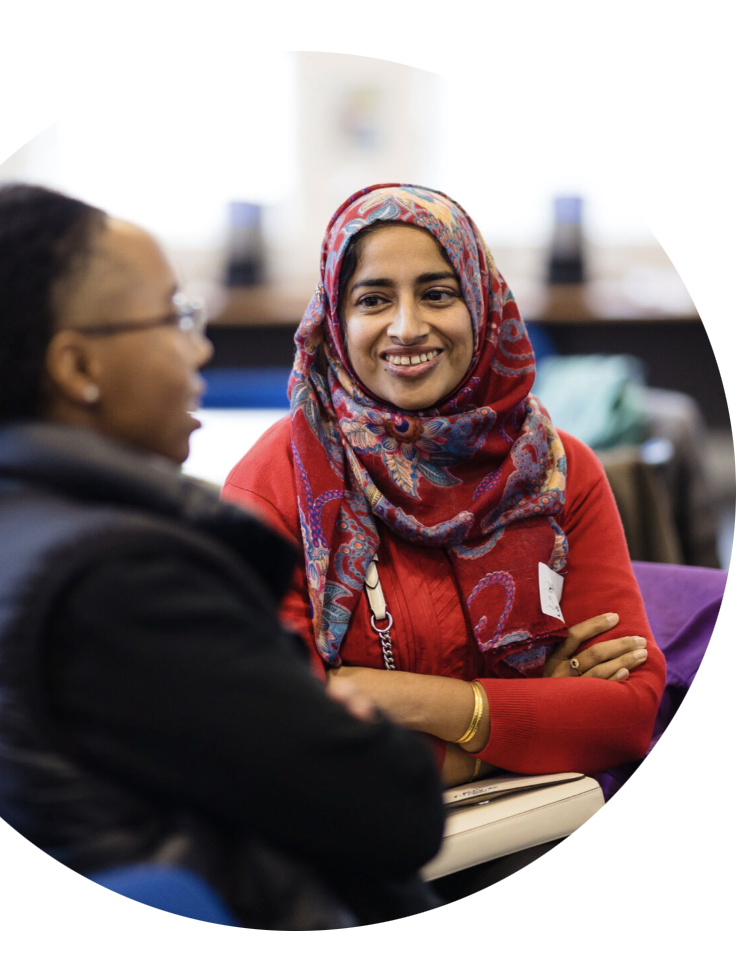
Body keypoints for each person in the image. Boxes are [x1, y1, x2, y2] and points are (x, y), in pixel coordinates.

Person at [0, 184, 454, 930]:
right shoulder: (125, 576)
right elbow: (398, 814)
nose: (199, 344)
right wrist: (348, 726)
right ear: (78, 367)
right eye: (174, 317)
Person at [222, 183, 668, 929]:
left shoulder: (556, 470)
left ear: (482, 304)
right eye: (372, 299)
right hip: (335, 840)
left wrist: (409, 700)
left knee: (572, 924)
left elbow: (624, 715)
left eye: (436, 292)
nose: (407, 326)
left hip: (517, 827)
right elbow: (287, 744)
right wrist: (511, 728)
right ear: (334, 320)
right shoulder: (277, 483)